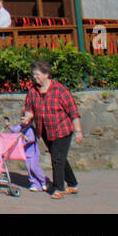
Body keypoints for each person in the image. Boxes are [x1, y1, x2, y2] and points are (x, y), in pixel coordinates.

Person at [22, 59, 82, 199]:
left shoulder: (60, 90)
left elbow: (73, 112)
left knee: (56, 158)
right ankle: (73, 185)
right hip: (44, 130)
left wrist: (78, 131)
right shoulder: (33, 91)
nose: (35, 77)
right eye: (34, 74)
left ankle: (58, 188)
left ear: (47, 74)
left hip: (62, 130)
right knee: (60, 158)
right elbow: (29, 108)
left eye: (37, 74)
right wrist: (27, 117)